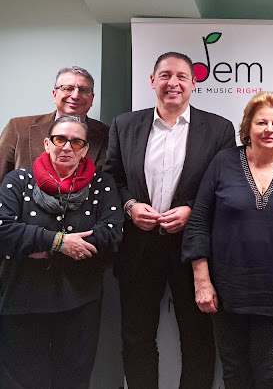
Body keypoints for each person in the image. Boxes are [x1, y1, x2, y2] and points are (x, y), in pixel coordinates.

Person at [103, 51, 235, 388]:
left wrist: (191, 209)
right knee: (137, 337)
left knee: (198, 337)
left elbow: (223, 186)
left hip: (193, 252)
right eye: (165, 75)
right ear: (152, 81)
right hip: (138, 249)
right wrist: (130, 206)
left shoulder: (219, 129)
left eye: (181, 76)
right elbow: (111, 178)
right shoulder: (124, 125)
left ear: (193, 83)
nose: (172, 83)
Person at [182, 91, 273, 388]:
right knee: (235, 374)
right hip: (227, 292)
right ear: (248, 126)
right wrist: (202, 281)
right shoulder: (223, 162)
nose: (269, 129)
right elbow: (198, 222)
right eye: (261, 123)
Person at [0, 115, 123, 388]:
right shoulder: (18, 180)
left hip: (79, 299)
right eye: (60, 139)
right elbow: (4, 230)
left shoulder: (101, 183)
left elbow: (112, 233)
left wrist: (37, 245)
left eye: (76, 142)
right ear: (47, 144)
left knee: (73, 380)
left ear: (85, 149)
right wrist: (59, 243)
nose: (67, 147)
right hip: (22, 297)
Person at [0, 66, 110, 180]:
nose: (75, 95)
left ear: (92, 99)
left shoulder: (107, 135)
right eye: (67, 88)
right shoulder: (18, 128)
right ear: (54, 94)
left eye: (84, 90)